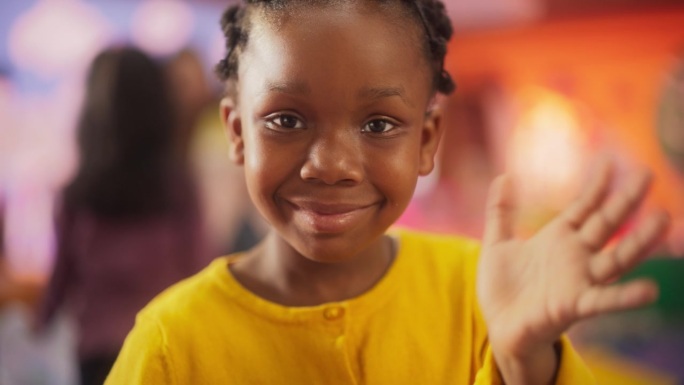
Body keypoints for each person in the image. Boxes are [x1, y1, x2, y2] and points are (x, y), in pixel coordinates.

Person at [105, 1, 670, 384]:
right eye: (286, 119)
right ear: (237, 134)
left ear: (426, 142)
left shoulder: (483, 292)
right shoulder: (171, 345)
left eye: (378, 125)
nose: (330, 166)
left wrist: (526, 365)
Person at [37, 47, 209, 385]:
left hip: (98, 357)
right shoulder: (178, 189)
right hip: (165, 351)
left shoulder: (76, 196)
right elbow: (199, 273)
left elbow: (58, 286)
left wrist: (32, 328)